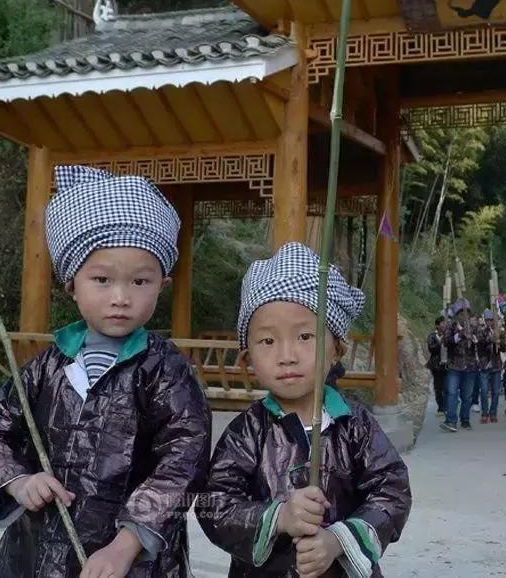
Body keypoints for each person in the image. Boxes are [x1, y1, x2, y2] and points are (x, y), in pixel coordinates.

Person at [0, 166, 212, 577]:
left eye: (139, 281)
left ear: (162, 285)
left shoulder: (166, 371)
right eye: (101, 279)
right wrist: (19, 482)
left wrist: (128, 542)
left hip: (129, 559)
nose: (120, 297)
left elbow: (183, 460)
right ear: (72, 285)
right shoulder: (46, 368)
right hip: (38, 547)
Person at [196, 242, 411, 577]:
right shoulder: (246, 433)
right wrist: (278, 518)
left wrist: (339, 540)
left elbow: (391, 491)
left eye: (305, 336)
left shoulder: (355, 426)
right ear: (246, 359)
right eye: (267, 341)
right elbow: (214, 505)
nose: (287, 355)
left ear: (337, 350)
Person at [442, 298, 479, 432]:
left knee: (467, 396)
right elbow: (446, 341)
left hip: (470, 366)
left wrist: (472, 337)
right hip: (454, 366)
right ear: (457, 315)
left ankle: (465, 419)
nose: (464, 316)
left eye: (467, 313)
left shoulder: (474, 327)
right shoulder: (450, 327)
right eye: (462, 313)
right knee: (452, 393)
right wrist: (459, 335)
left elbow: (479, 341)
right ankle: (451, 421)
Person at [477, 309, 503, 424]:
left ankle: (493, 412)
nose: (489, 322)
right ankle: (484, 413)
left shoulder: (499, 332)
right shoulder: (481, 331)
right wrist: (490, 340)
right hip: (484, 364)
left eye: (491, 320)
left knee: (496, 391)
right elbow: (480, 344)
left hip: (496, 365)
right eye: (487, 320)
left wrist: (503, 342)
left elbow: (503, 348)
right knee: (483, 390)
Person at [426, 316, 449, 416]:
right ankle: (441, 407)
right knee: (438, 387)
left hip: (448, 364)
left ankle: (448, 406)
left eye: (445, 323)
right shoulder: (432, 336)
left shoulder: (448, 335)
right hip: (437, 365)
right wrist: (440, 342)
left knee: (448, 387)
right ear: (437, 325)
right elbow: (431, 349)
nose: (444, 325)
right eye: (442, 323)